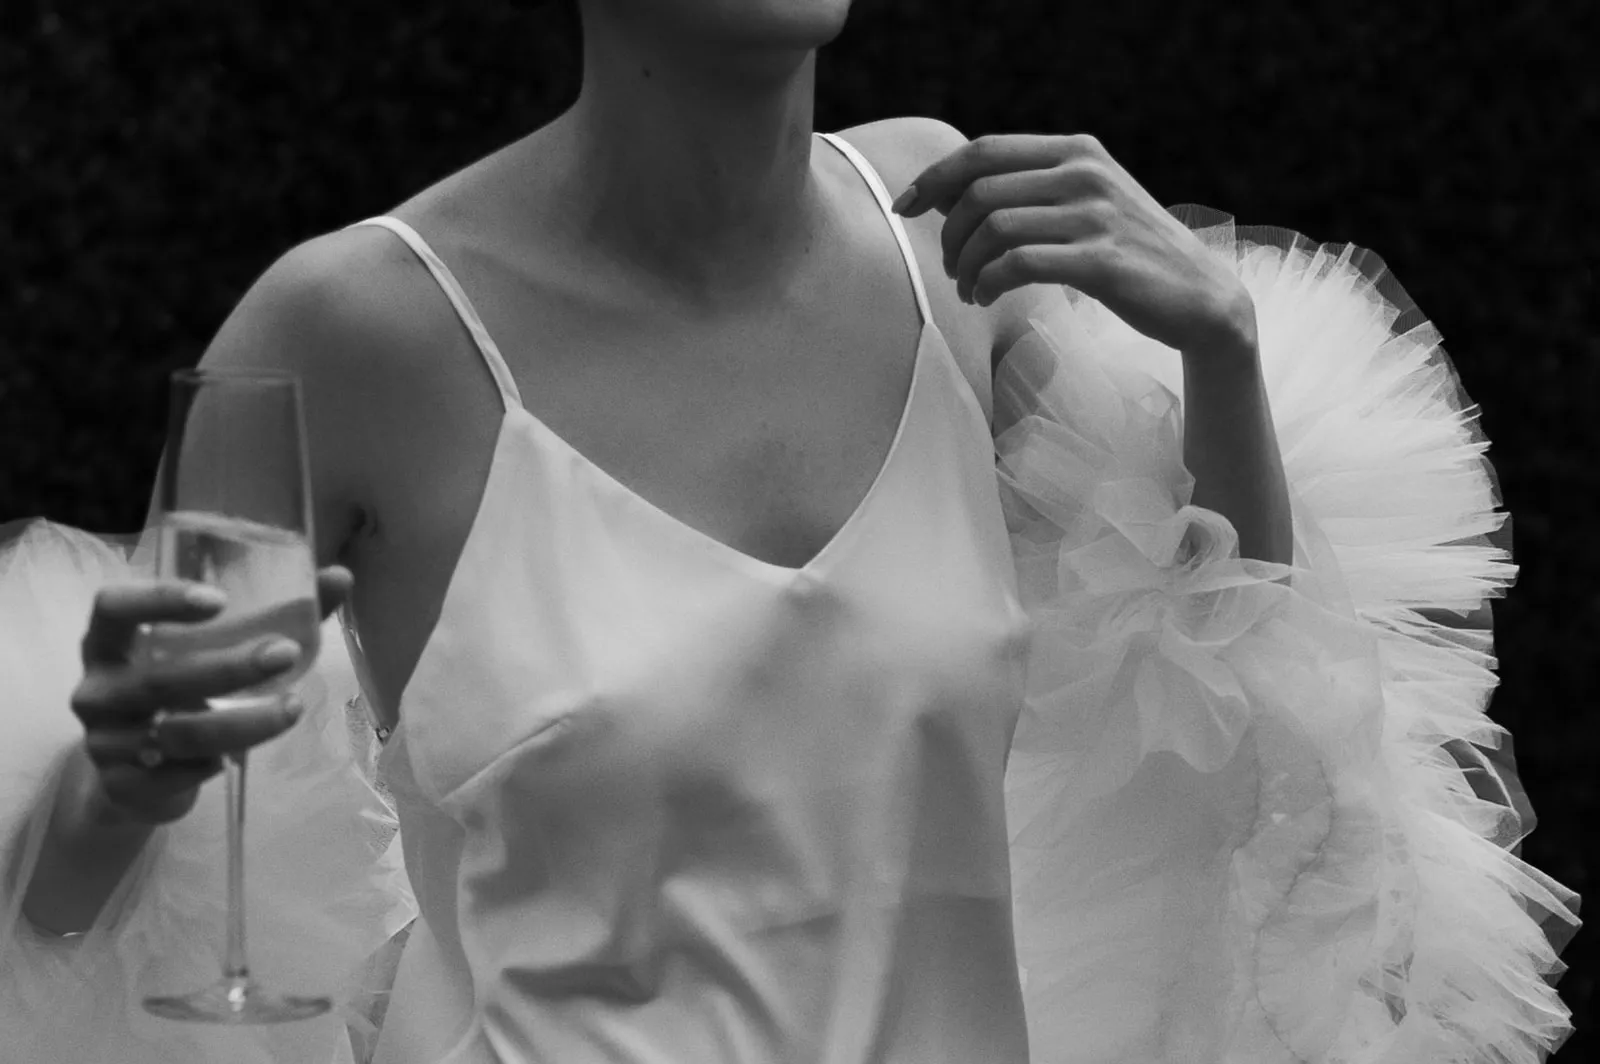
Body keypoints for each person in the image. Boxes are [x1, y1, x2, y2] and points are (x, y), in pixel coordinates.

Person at [0, 1, 1580, 1062]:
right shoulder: (344, 329)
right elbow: (90, 915)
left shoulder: (943, 232)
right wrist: (128, 775)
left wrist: (1220, 344)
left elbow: (1244, 762)